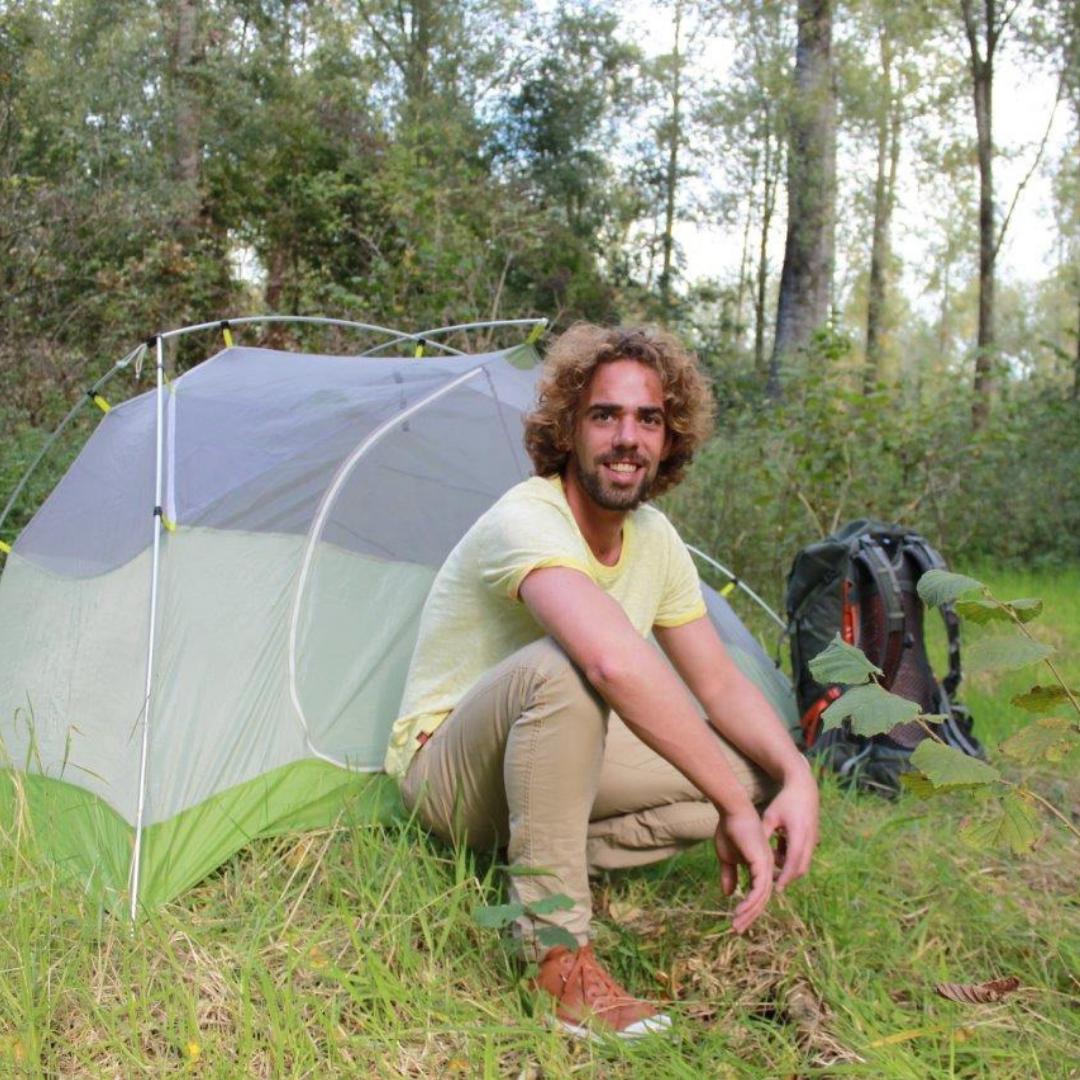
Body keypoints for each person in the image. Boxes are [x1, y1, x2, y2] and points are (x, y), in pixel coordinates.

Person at [384, 323, 819, 1039]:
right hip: (450, 775)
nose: (628, 437)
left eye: (648, 418)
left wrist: (796, 774)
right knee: (569, 668)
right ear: (568, 429)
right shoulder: (528, 517)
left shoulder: (656, 540)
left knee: (756, 777)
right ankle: (557, 960)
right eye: (605, 415)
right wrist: (725, 804)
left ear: (670, 436)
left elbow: (719, 685)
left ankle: (540, 863)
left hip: (551, 764)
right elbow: (610, 663)